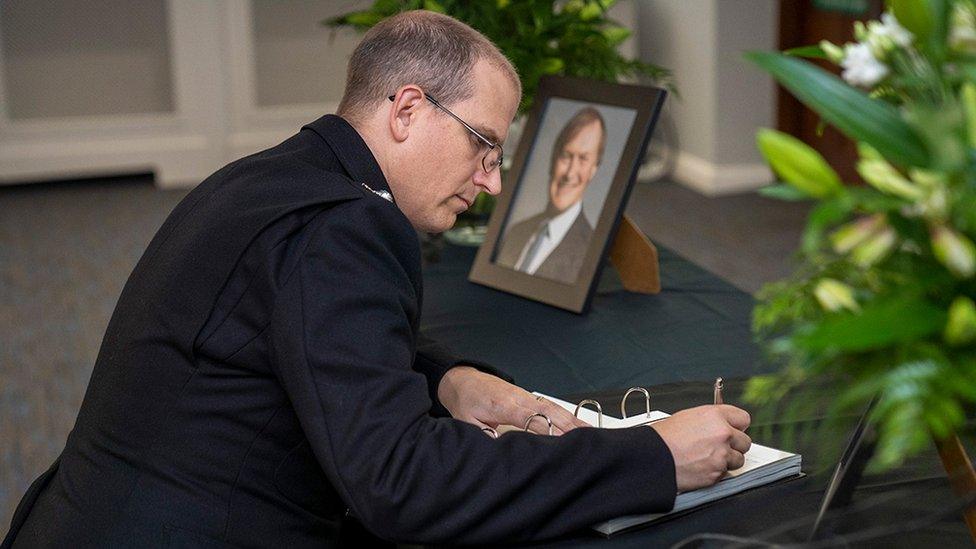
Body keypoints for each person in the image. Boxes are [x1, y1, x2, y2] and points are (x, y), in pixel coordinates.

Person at [2, 10, 751, 547]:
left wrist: (448, 378)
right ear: (407, 109)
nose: (492, 181)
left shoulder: (265, 178)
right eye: (485, 146)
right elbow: (404, 485)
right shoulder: (352, 226)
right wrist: (654, 456)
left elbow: (293, 331)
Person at [494, 107, 605, 284]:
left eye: (583, 159)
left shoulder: (591, 253)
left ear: (594, 170)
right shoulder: (517, 232)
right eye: (566, 156)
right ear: (554, 159)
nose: (570, 173)